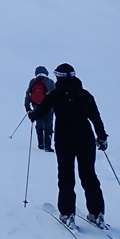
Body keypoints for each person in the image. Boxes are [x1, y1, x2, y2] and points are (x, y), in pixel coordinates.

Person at [29, 63, 108, 229]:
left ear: (58, 77)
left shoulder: (55, 95)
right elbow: (96, 117)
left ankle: (67, 213)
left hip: (64, 140)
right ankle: (97, 213)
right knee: (89, 176)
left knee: (66, 176)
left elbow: (41, 111)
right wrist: (101, 137)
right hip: (85, 140)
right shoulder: (85, 95)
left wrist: (32, 115)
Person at [25, 66, 55, 151]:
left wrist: (27, 107)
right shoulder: (50, 82)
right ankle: (47, 146)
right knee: (48, 126)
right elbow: (55, 95)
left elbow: (28, 94)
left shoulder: (33, 82)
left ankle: (40, 144)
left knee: (39, 124)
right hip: (49, 108)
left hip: (36, 106)